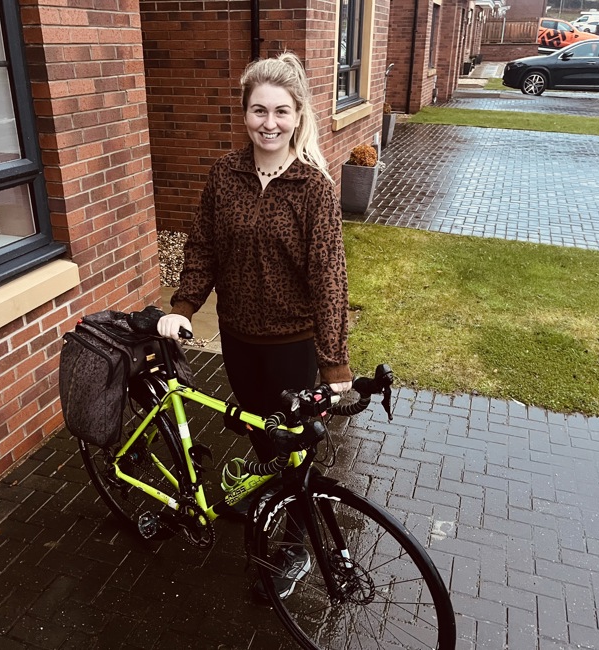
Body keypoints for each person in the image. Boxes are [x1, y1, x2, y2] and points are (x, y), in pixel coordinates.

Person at [157, 51, 352, 599]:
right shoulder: (225, 175)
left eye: (281, 111)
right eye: (259, 110)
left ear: (298, 115)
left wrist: (334, 362)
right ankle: (267, 497)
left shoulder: (313, 189)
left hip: (293, 346)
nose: (269, 123)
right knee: (261, 433)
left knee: (295, 449)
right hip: (238, 340)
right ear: (244, 113)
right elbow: (203, 246)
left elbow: (329, 278)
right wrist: (183, 306)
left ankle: (294, 546)